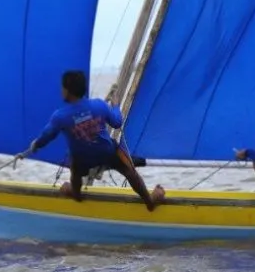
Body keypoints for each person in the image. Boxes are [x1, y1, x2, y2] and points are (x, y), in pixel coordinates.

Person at [15, 70, 165, 210]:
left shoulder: (60, 116)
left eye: (62, 88)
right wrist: (116, 106)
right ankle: (149, 201)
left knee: (75, 167)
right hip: (106, 153)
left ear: (67, 91)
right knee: (128, 170)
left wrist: (35, 145)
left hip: (83, 160)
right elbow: (117, 122)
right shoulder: (99, 105)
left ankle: (76, 193)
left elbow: (47, 136)